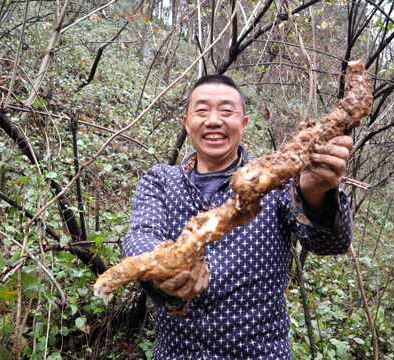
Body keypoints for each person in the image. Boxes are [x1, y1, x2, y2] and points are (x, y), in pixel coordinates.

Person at [122, 74, 353, 359]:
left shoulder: (276, 182)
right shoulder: (161, 180)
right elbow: (140, 235)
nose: (214, 121)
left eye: (227, 111)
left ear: (244, 123)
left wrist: (317, 194)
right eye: (202, 110)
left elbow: (331, 243)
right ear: (186, 122)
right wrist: (165, 270)